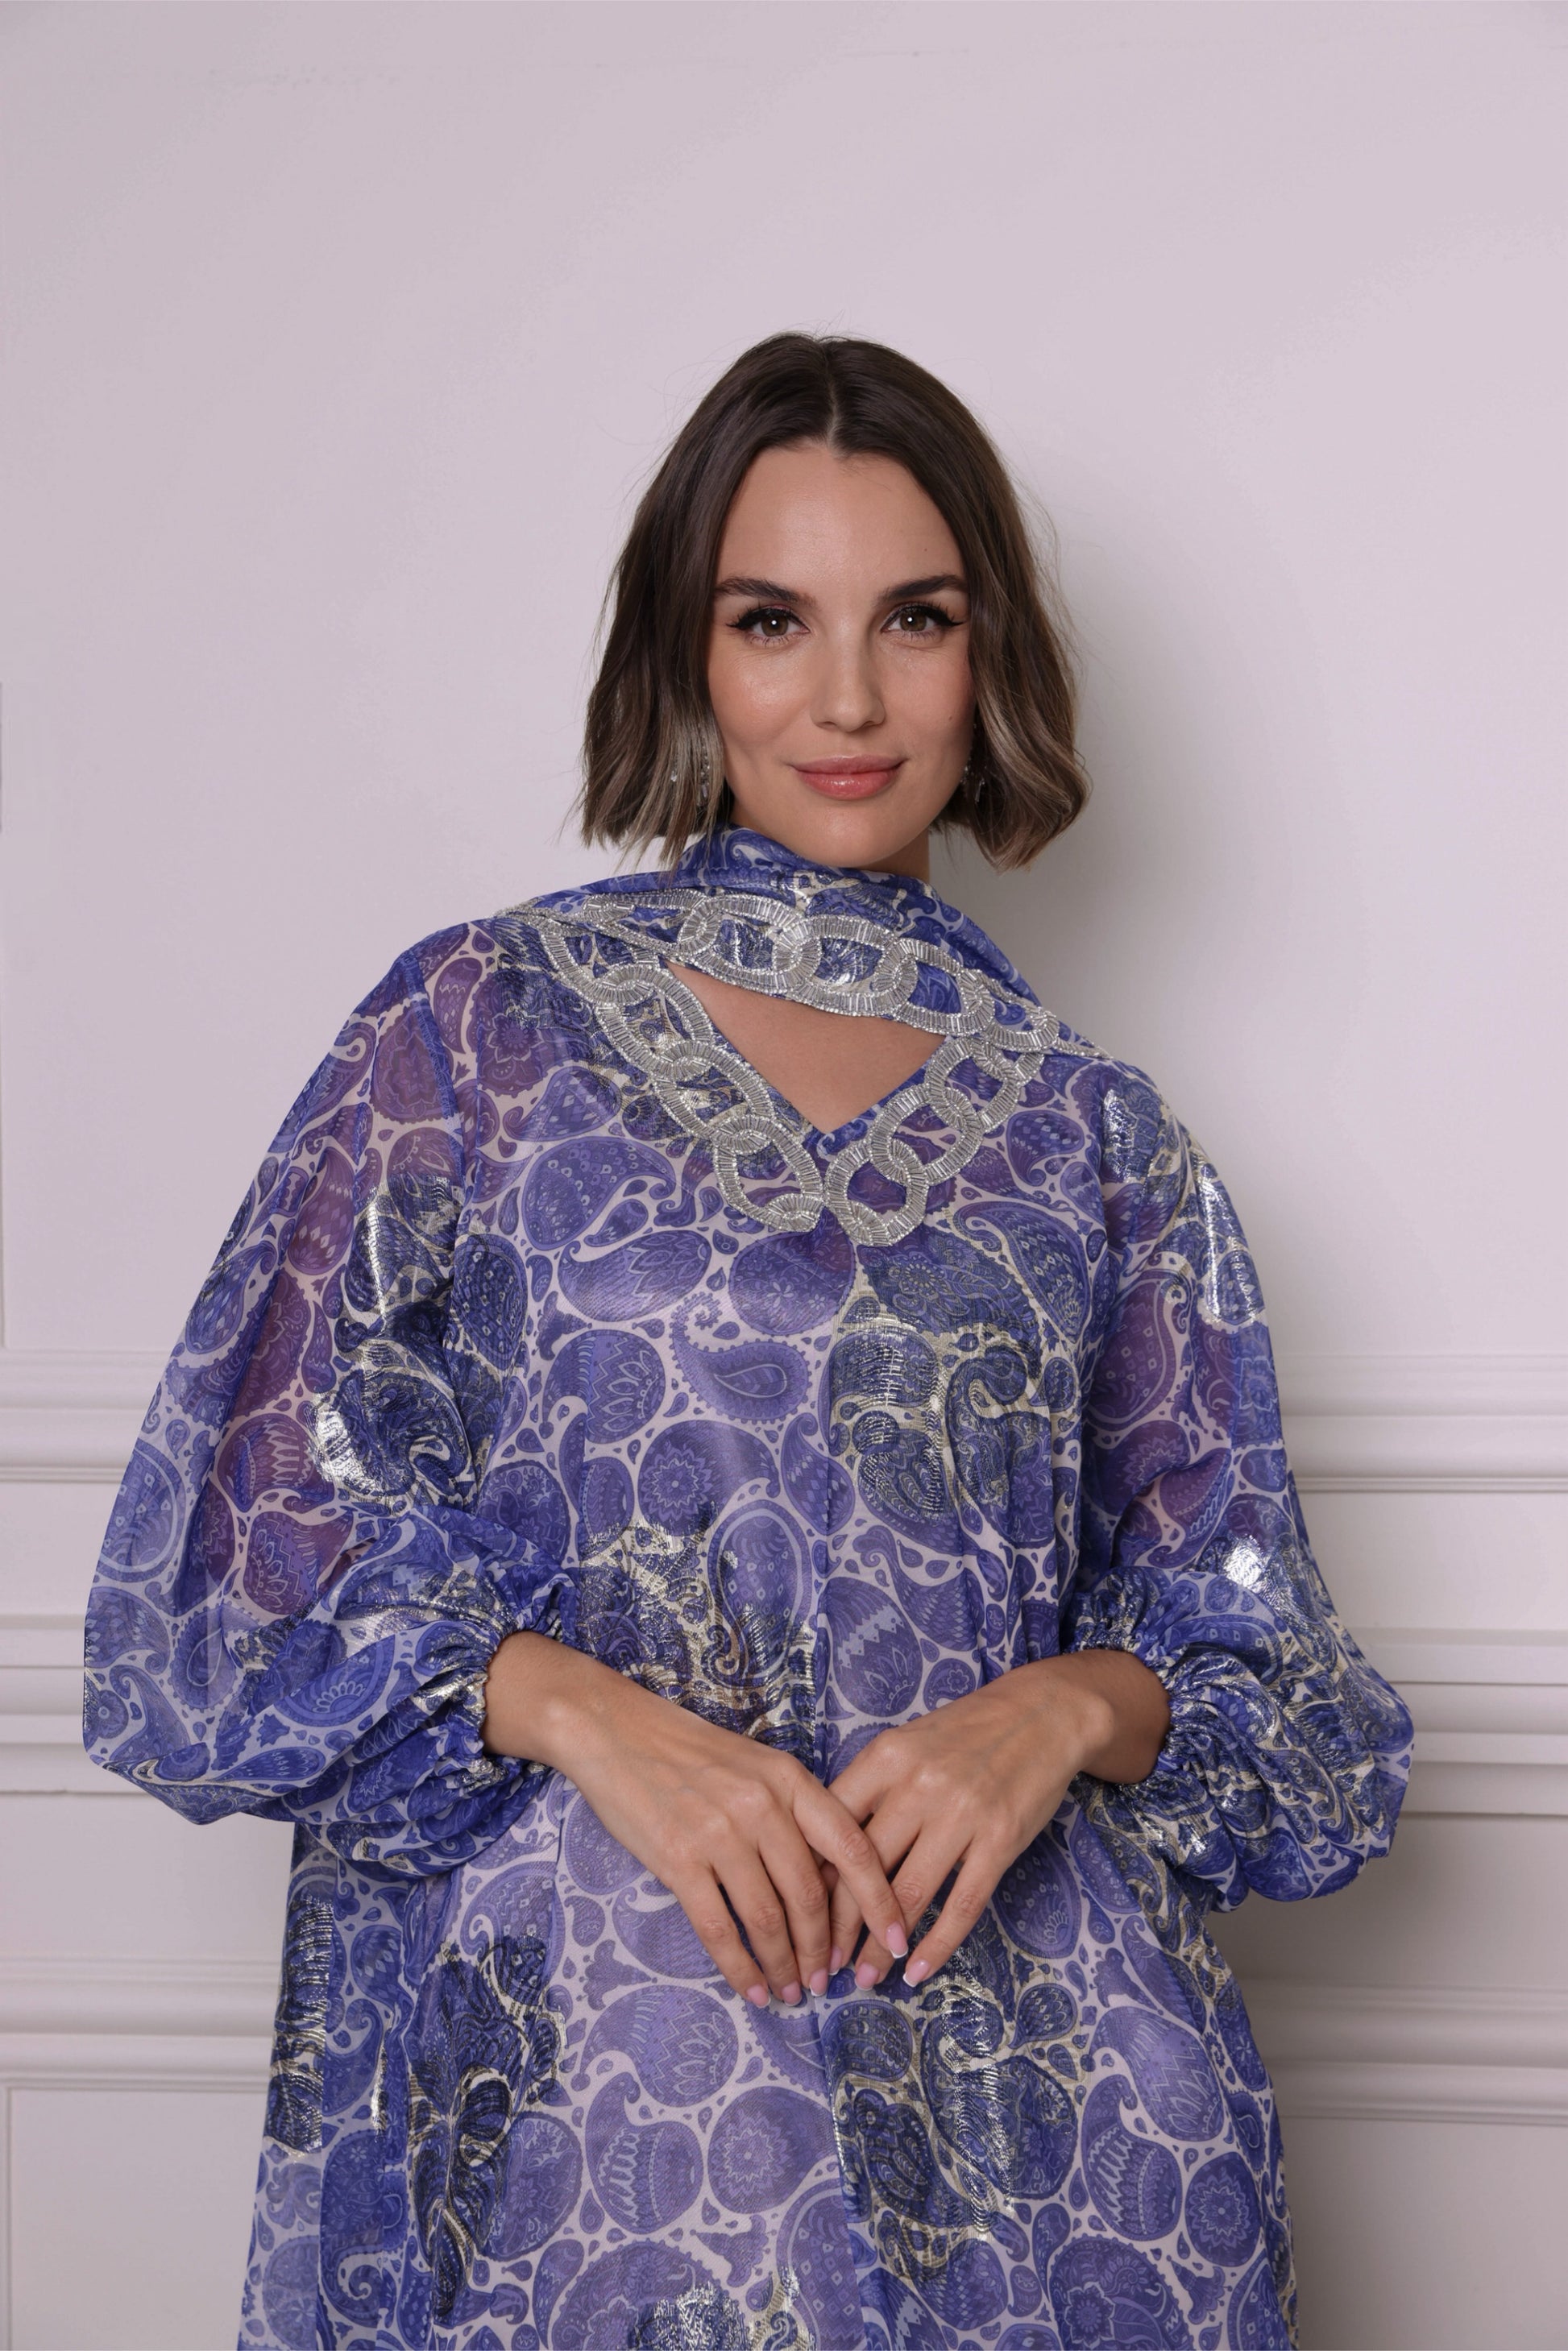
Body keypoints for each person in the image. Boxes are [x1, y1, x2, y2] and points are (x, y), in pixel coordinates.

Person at [83, 334, 1412, 2351]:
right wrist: (579, 1710)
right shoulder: (476, 1036)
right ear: (683, 655)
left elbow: (1293, 1712)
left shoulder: (1094, 1133)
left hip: (1061, 2145)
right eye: (772, 619)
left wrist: (1061, 1705)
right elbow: (202, 1602)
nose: (849, 698)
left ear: (991, 652)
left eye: (917, 618)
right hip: (595, 2129)